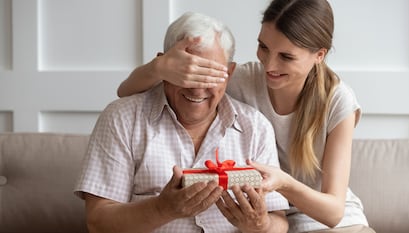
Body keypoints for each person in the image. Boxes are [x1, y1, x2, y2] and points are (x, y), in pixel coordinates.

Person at [116, 0, 376, 233]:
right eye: (263, 47)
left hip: (330, 222)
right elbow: (126, 92)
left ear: (319, 55)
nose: (270, 66)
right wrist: (160, 67)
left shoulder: (338, 100)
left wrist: (283, 183)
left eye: (286, 57)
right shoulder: (243, 78)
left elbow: (333, 212)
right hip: (274, 219)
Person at [74, 12, 289, 233]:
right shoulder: (123, 119)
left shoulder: (255, 127)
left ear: (229, 73)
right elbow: (98, 222)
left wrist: (261, 226)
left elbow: (279, 222)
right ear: (163, 65)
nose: (197, 88)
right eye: (186, 73)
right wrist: (162, 209)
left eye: (209, 75)